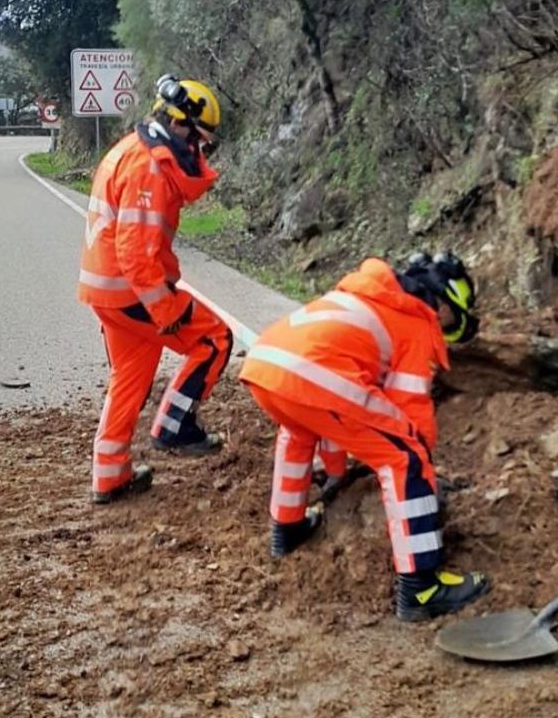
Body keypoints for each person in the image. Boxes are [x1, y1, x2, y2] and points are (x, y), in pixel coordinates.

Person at [239, 251, 490, 622]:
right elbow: (411, 411)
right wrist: (422, 476)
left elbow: (345, 414)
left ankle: (287, 529)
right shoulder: (415, 320)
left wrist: (343, 466)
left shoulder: (371, 294)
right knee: (406, 456)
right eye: (453, 316)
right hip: (314, 375)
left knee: (299, 430)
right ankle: (421, 588)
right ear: (442, 304)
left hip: (265, 365)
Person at [78, 75, 234, 504]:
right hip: (132, 292)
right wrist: (168, 311)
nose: (202, 152)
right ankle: (175, 426)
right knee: (215, 339)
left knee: (130, 380)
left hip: (109, 293)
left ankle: (109, 476)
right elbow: (135, 254)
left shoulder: (134, 150)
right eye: (201, 141)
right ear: (181, 126)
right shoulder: (148, 167)